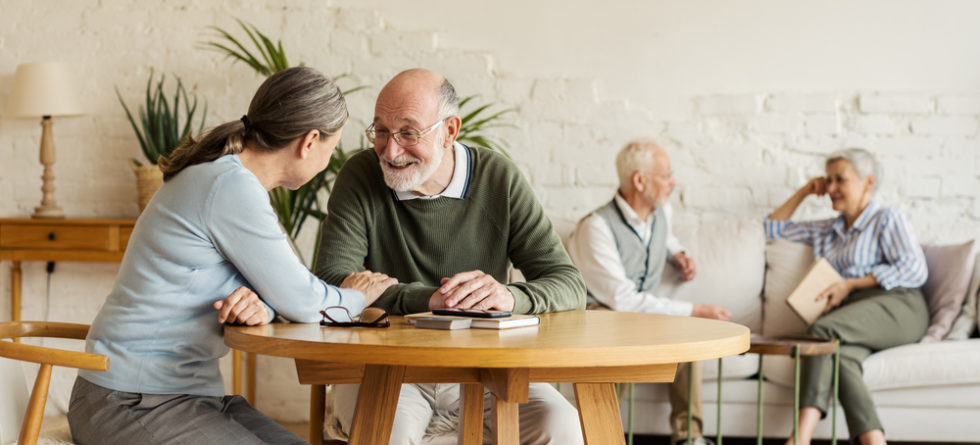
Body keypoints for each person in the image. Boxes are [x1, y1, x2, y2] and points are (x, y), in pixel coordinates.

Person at [67, 66, 395, 445]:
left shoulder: (229, 181)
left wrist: (262, 306)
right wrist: (359, 295)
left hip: (184, 398)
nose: (328, 160)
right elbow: (305, 301)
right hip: (129, 402)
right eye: (331, 148)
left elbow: (274, 290)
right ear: (310, 142)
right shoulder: (230, 186)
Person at [314, 68, 587, 445]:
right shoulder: (360, 175)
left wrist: (510, 297)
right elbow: (331, 280)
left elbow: (569, 283)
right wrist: (429, 301)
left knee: (562, 426)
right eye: (380, 131)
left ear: (449, 131)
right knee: (386, 434)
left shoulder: (498, 178)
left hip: (484, 369)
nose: (390, 151)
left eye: (408, 133)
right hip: (385, 366)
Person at [566, 140, 730, 445]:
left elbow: (662, 236)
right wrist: (696, 310)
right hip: (602, 313)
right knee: (620, 335)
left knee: (688, 338)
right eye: (666, 175)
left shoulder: (660, 212)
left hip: (639, 315)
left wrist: (678, 253)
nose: (673, 181)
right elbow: (621, 300)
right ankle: (599, 436)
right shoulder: (596, 228)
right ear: (640, 181)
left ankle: (689, 437)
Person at [765, 148, 928, 445]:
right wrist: (804, 191)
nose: (830, 189)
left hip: (899, 306)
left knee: (821, 334)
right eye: (827, 180)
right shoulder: (827, 230)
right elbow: (772, 227)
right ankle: (874, 441)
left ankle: (799, 439)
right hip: (854, 316)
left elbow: (915, 270)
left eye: (840, 180)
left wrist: (850, 284)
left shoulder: (886, 219)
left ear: (868, 182)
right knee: (841, 357)